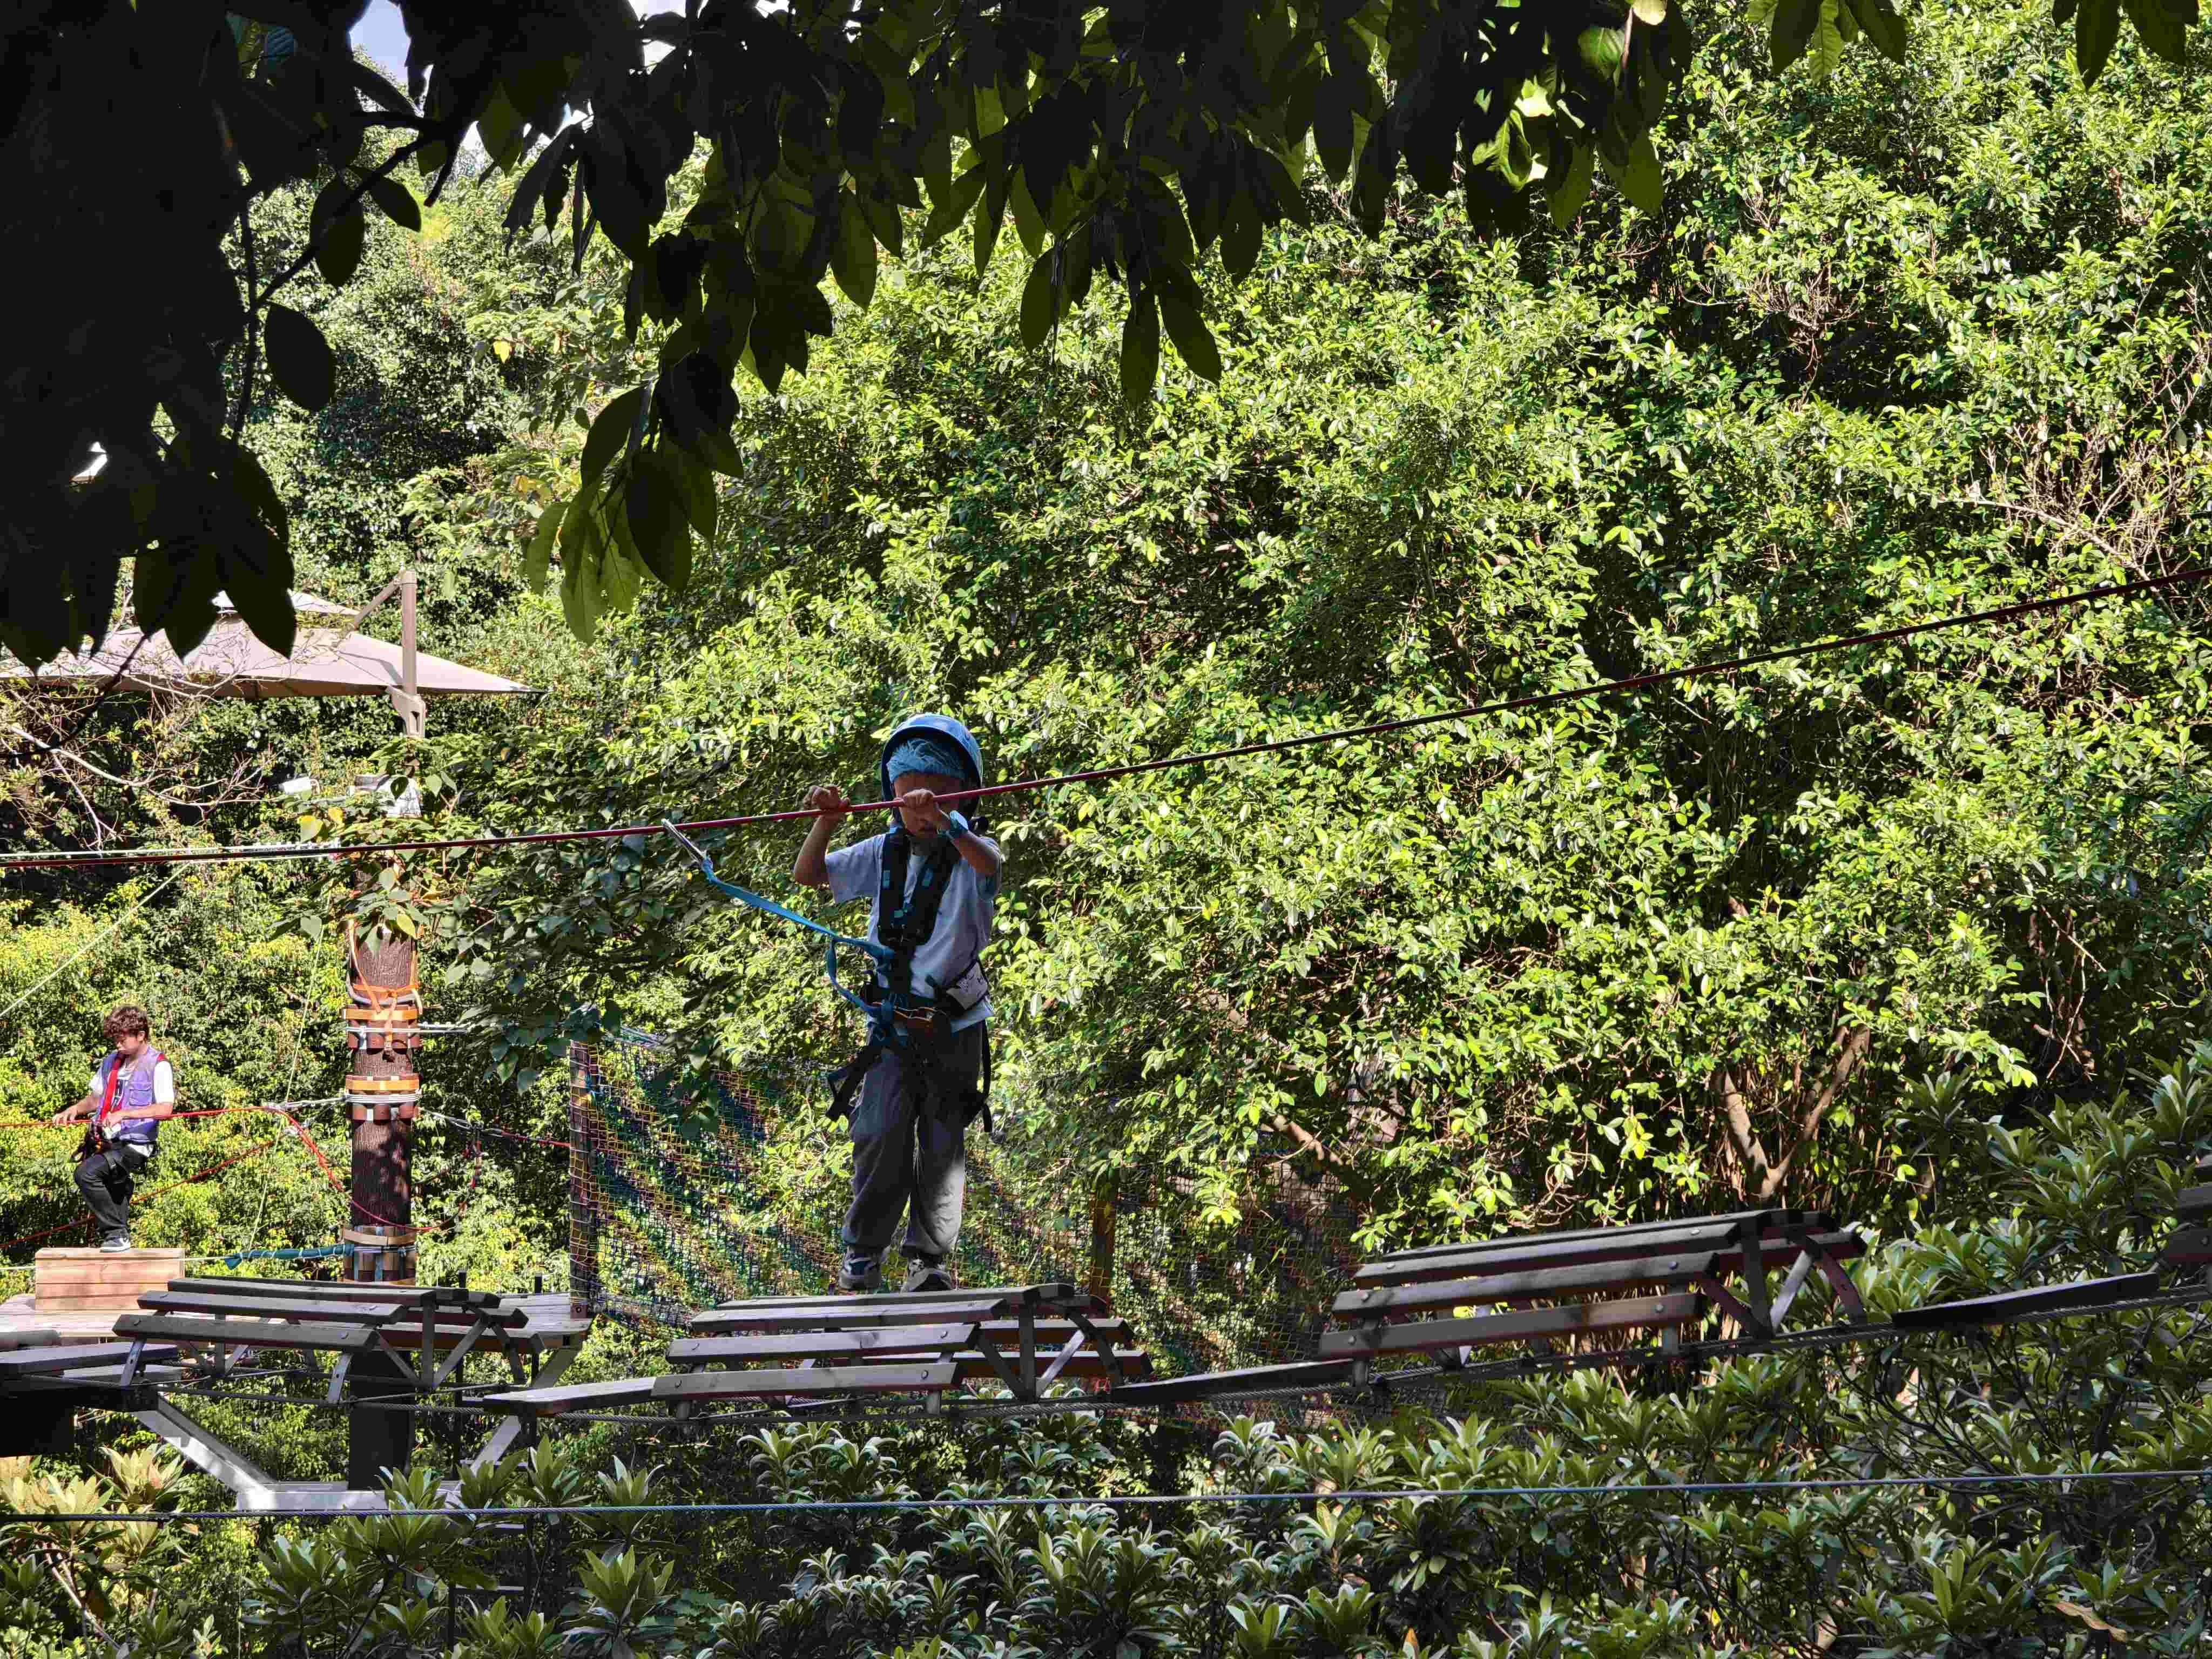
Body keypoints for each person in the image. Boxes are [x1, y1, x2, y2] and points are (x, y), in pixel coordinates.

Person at [793, 713, 1002, 1294]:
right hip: (892, 1026)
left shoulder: (974, 853)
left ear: (963, 796)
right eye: (909, 796)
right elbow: (808, 875)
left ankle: (928, 1263)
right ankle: (863, 1254)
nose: (920, 809)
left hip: (953, 1024)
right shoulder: (882, 851)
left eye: (934, 793)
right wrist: (827, 822)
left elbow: (989, 865)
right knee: (879, 1132)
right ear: (892, 798)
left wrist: (949, 822)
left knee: (941, 1142)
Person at [49, 1005, 176, 1252]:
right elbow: (96, 1099)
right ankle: (119, 1238)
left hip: (135, 1144)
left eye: (122, 1039)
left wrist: (124, 1114)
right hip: (107, 1141)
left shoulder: (158, 1065)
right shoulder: (111, 1062)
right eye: (115, 1040)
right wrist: (73, 1109)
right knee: (113, 1186)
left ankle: (116, 1234)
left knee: (86, 1175)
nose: (118, 1045)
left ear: (141, 1035)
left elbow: (165, 1109)